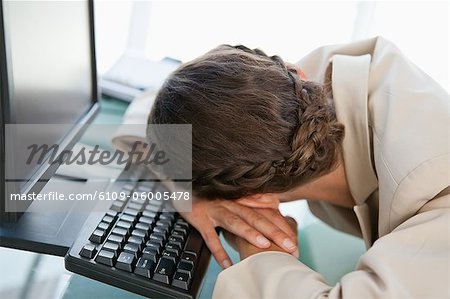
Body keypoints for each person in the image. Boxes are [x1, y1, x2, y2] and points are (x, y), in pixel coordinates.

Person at [148, 36, 450, 298]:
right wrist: (187, 194)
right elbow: (157, 103)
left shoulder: (438, 202)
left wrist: (261, 249)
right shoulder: (294, 93)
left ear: (253, 194)